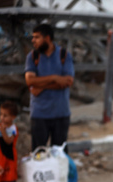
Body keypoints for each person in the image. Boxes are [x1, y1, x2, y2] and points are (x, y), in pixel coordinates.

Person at [24, 23, 74, 152]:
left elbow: (67, 81)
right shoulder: (33, 57)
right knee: (38, 153)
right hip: (39, 114)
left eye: (37, 37)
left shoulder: (64, 55)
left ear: (47, 38)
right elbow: (30, 80)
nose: (33, 40)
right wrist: (54, 78)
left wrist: (40, 86)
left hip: (61, 114)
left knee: (59, 154)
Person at [0, 101, 19, 182]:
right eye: (1, 114)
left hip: (9, 156)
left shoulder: (13, 129)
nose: (2, 118)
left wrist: (3, 132)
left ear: (13, 117)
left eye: (5, 115)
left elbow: (9, 141)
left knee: (9, 174)